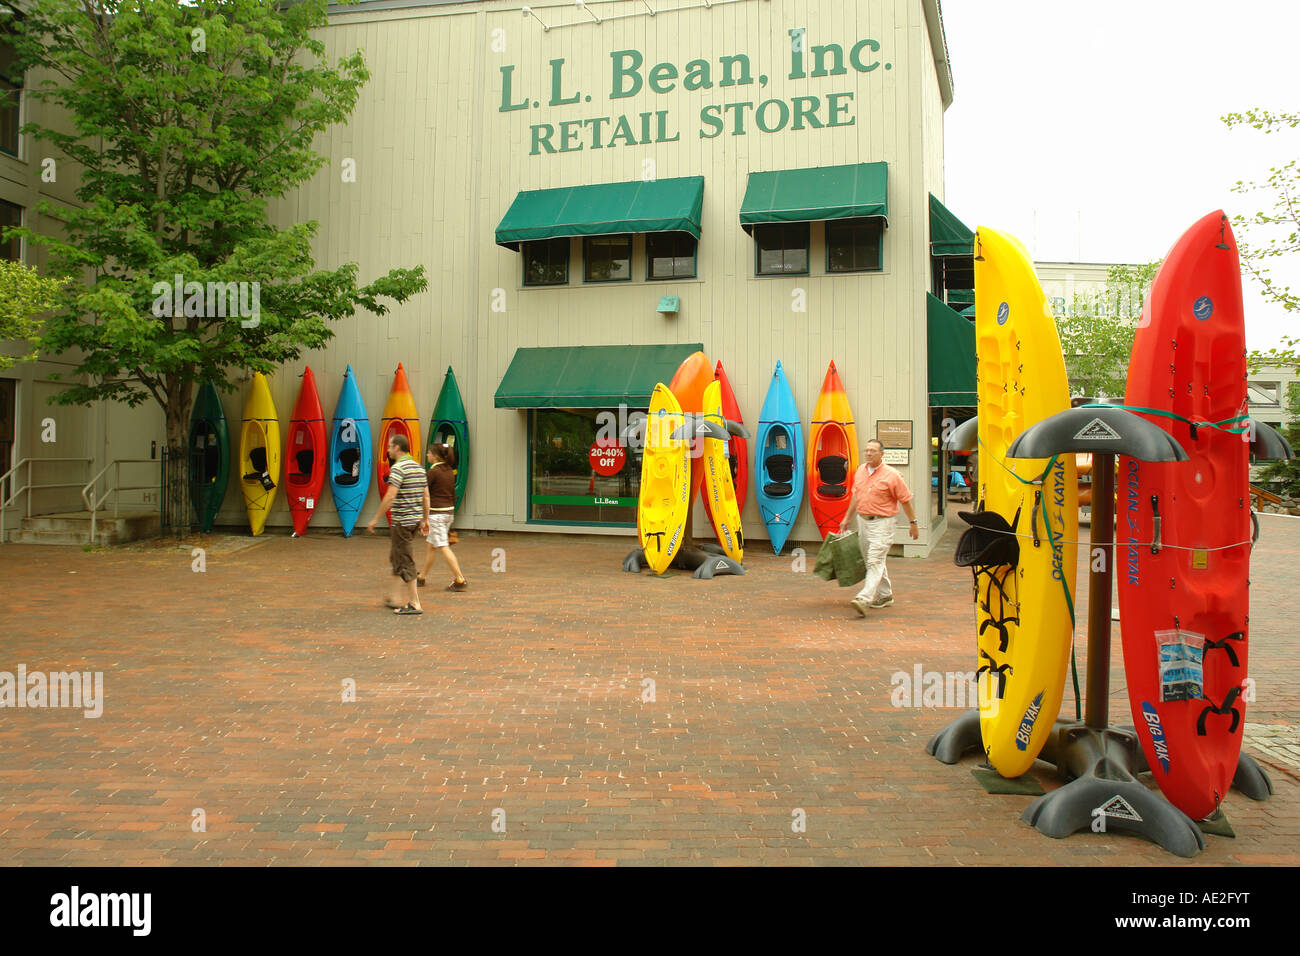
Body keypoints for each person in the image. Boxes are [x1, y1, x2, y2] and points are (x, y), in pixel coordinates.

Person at [839, 439, 919, 615]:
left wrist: (913, 523)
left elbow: (905, 500)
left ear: (882, 454)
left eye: (873, 451)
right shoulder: (860, 471)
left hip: (883, 524)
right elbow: (856, 496)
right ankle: (885, 595)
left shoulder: (892, 475)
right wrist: (847, 518)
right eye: (866, 450)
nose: (868, 453)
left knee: (874, 560)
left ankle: (864, 598)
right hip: (863, 521)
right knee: (872, 560)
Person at [366, 434, 429, 615]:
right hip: (415, 520)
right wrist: (424, 519)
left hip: (402, 521)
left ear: (397, 448)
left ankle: (415, 602)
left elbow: (390, 496)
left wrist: (376, 518)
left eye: (389, 446)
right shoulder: (419, 468)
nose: (387, 450)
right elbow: (426, 497)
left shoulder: (398, 469)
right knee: (397, 556)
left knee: (404, 558)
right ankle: (394, 597)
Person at [419, 442, 467, 592]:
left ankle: (460, 579)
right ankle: (421, 577)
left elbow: (424, 493)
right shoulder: (449, 471)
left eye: (429, 453)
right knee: (431, 546)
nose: (427, 455)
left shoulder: (433, 472)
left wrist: (423, 517)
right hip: (447, 513)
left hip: (436, 515)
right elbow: (452, 494)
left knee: (442, 547)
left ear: (435, 456)